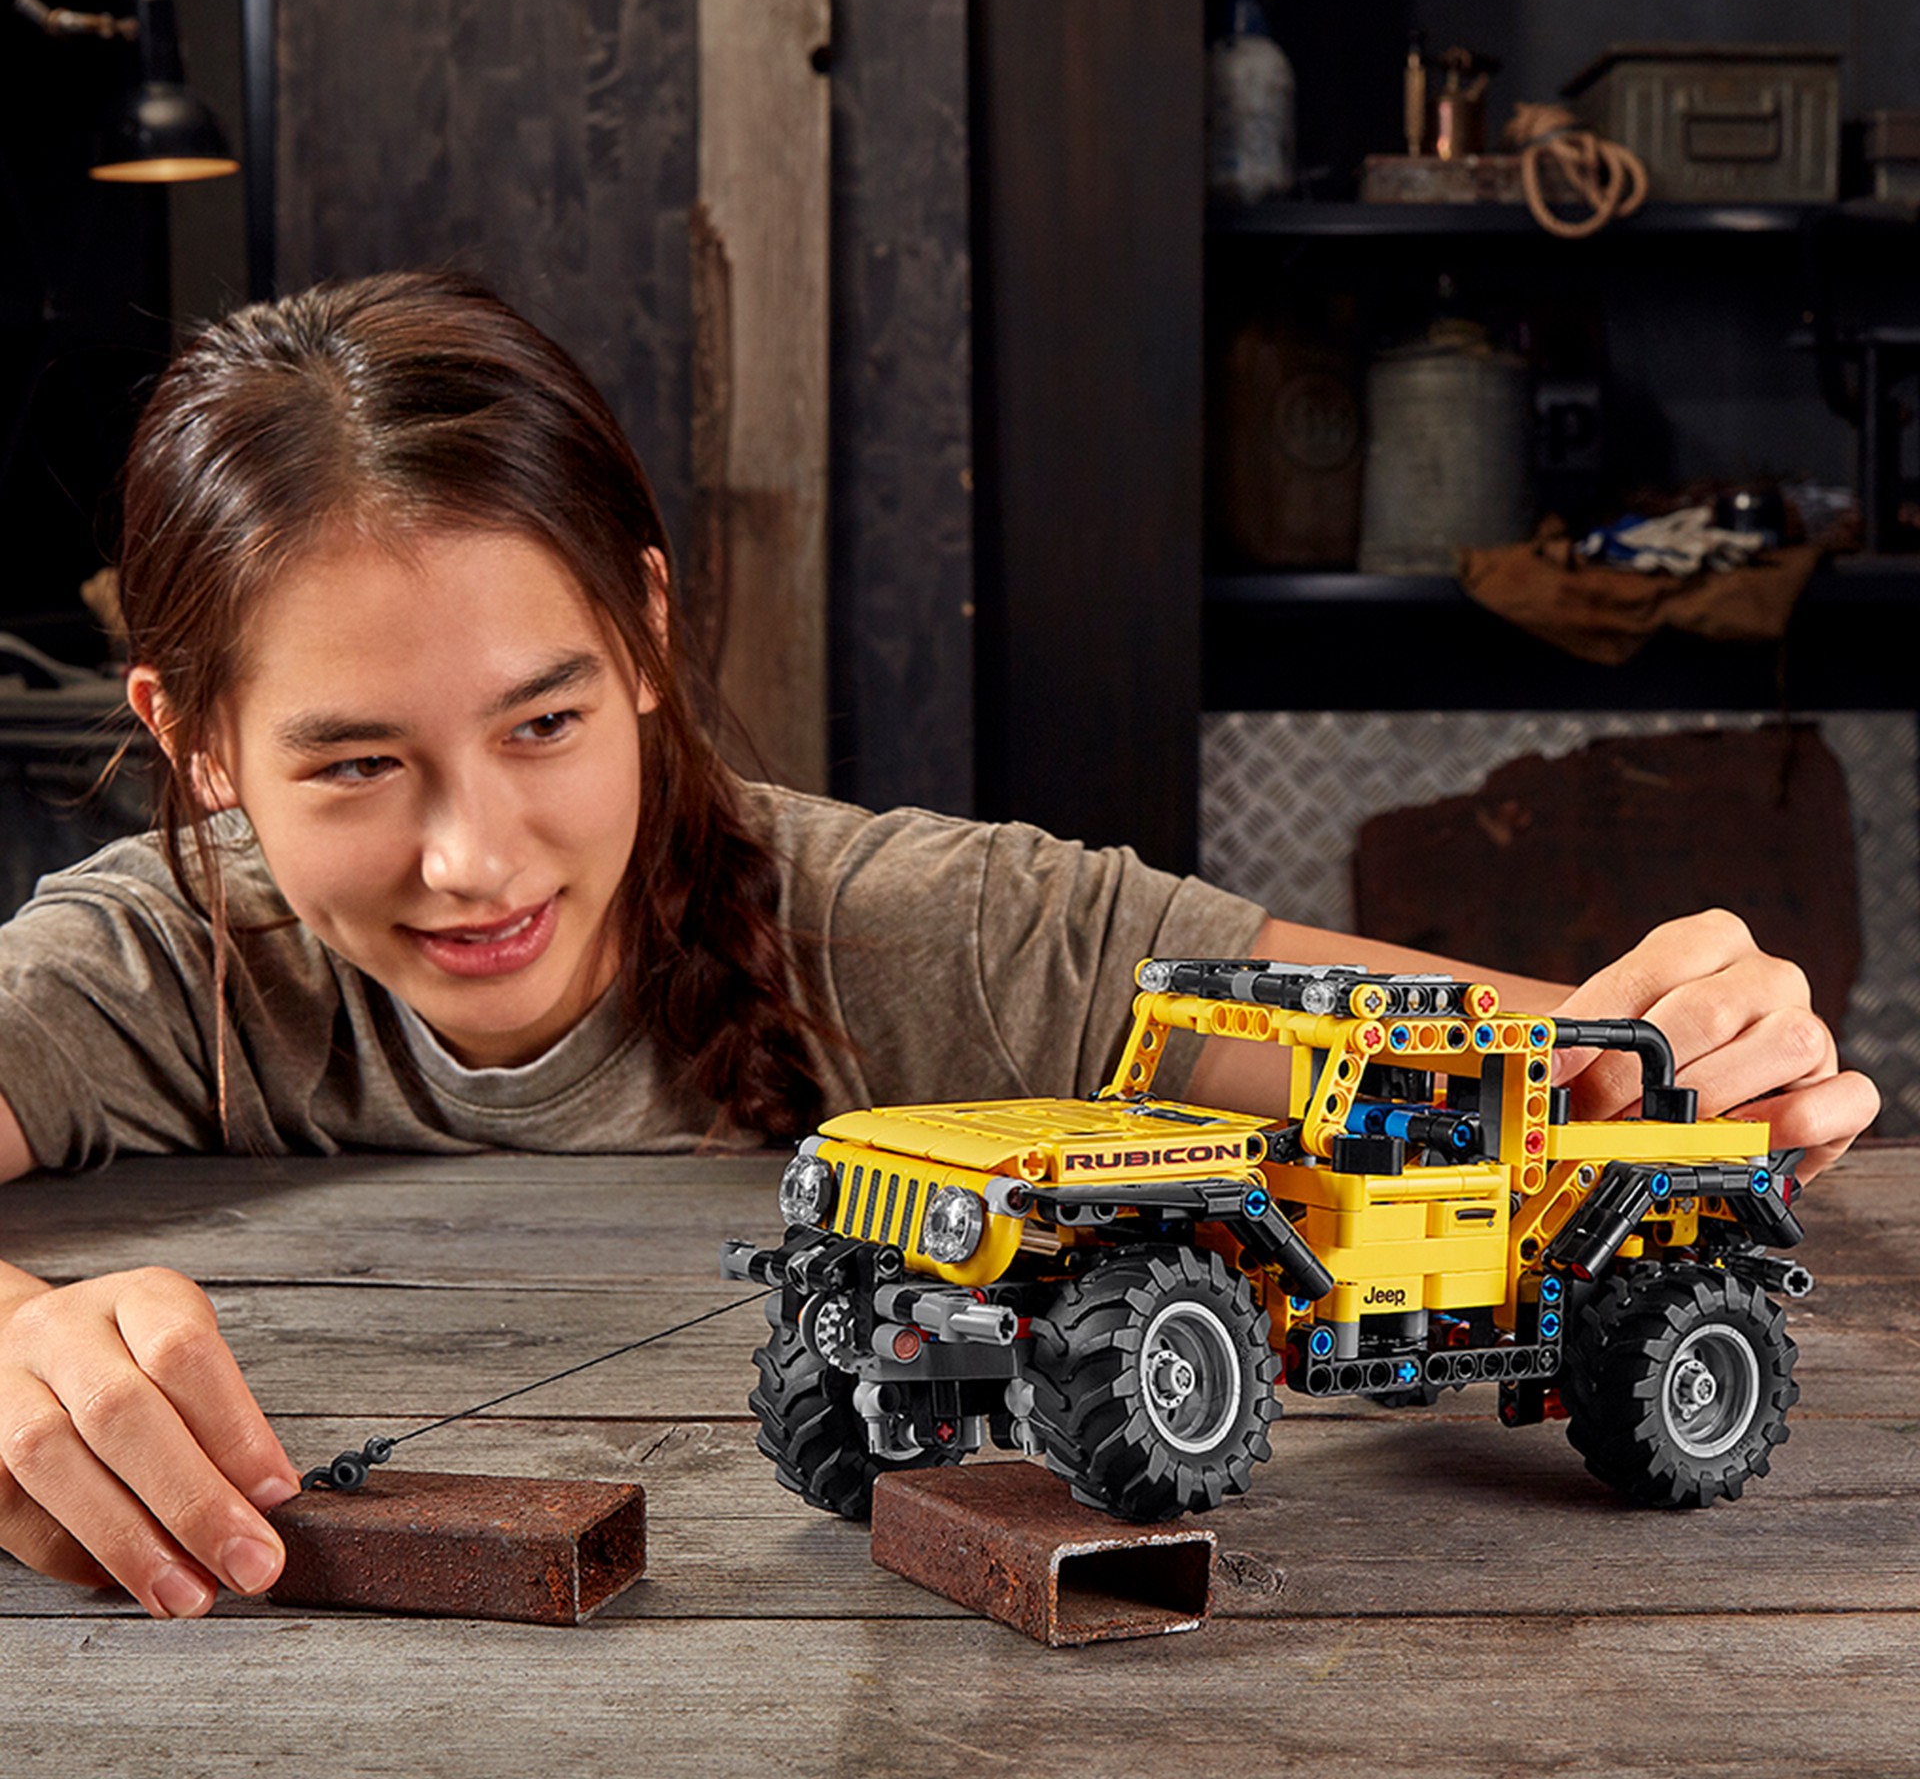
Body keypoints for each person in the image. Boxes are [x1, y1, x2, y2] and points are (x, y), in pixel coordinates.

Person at [0, 272, 1877, 1619]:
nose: (474, 856)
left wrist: (1714, 1029)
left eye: (544, 721)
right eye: (353, 762)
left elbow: (1535, 1056)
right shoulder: (144, 969)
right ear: (196, 740)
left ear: (644, 638)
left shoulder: (942, 931)